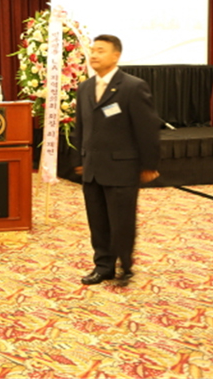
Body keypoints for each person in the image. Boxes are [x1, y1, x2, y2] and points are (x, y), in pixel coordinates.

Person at [72, 34, 161, 287]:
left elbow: (147, 129)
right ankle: (103, 267)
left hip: (122, 168)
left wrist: (149, 165)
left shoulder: (133, 86)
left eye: (101, 50)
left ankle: (126, 265)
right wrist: (80, 158)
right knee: (97, 222)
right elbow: (81, 128)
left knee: (121, 221)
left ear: (116, 56)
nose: (94, 54)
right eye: (93, 50)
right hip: (93, 169)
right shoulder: (85, 88)